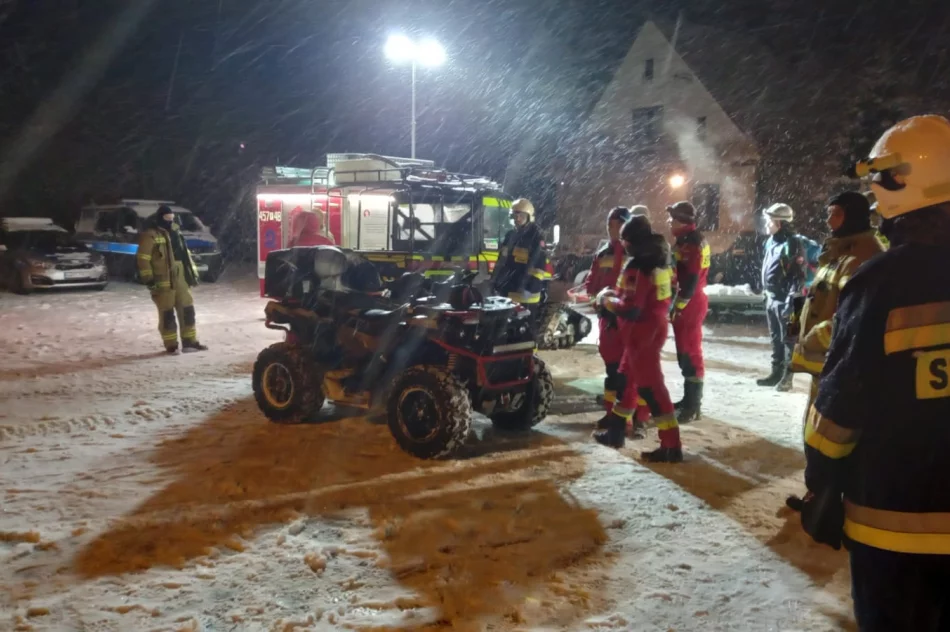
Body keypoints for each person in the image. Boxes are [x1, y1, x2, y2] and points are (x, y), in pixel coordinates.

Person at [800, 115, 950, 630]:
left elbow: (842, 407)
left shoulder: (882, 283)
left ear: (900, 182)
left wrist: (821, 481)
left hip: (894, 522)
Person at [783, 191, 884, 512]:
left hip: (840, 360)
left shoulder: (862, 257)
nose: (828, 221)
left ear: (853, 216)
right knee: (818, 429)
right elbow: (823, 297)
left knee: (833, 433)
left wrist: (815, 338)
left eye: (835, 214)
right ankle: (819, 492)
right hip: (826, 362)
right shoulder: (839, 252)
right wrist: (798, 316)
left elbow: (851, 316)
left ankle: (831, 500)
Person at [593, 214, 683, 462]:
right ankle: (616, 431)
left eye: (623, 239)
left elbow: (631, 307)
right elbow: (667, 293)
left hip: (639, 333)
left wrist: (606, 300)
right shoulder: (662, 260)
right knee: (628, 381)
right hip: (654, 327)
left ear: (630, 240)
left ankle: (671, 445)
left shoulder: (638, 265)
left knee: (652, 389)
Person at [136, 205, 208, 354]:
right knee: (167, 313)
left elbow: (184, 255)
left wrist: (191, 276)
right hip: (163, 280)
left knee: (187, 309)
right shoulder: (150, 235)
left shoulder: (176, 232)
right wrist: (148, 278)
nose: (169, 221)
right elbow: (143, 259)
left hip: (180, 276)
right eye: (166, 218)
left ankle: (190, 342)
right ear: (160, 218)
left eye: (171, 218)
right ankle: (171, 345)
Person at [756, 203, 809, 391]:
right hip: (771, 298)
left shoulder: (792, 243)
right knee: (776, 337)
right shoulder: (771, 241)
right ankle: (776, 373)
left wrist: (790, 302)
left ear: (780, 222)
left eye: (769, 220)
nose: (766, 223)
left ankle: (787, 377)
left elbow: (798, 276)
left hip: (787, 300)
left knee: (789, 339)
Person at [666, 201, 711, 422]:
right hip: (688, 300)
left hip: (690, 301)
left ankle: (693, 406)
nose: (669, 222)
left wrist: (679, 305)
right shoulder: (687, 240)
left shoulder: (691, 243)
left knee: (690, 353)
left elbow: (691, 278)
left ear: (682, 221)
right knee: (684, 352)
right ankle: (688, 400)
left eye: (672, 219)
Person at [585, 206, 630, 419]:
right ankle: (611, 413)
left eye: (617, 225)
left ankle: (631, 416)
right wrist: (597, 302)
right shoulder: (603, 253)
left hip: (629, 320)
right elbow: (591, 283)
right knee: (611, 368)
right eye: (610, 225)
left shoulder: (636, 253)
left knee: (629, 371)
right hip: (608, 321)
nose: (613, 230)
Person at [491, 198, 547, 311]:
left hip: (527, 293)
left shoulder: (536, 236)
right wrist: (495, 280)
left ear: (529, 217)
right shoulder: (510, 235)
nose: (517, 219)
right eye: (515, 215)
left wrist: (527, 286)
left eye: (521, 215)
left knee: (524, 325)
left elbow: (538, 265)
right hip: (508, 290)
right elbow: (502, 260)